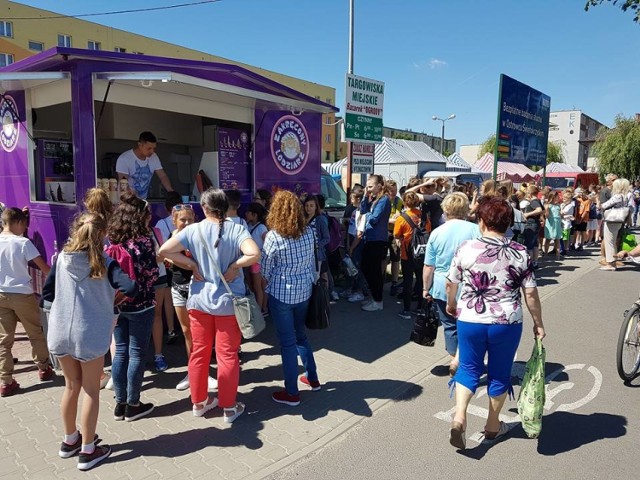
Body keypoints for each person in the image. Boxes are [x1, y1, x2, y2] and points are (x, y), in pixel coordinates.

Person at [445, 196, 546, 450]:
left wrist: (452, 304)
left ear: (481, 220)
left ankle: (459, 417)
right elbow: (531, 293)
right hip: (507, 321)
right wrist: (538, 322)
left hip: (471, 318)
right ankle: (492, 426)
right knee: (499, 373)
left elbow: (451, 282)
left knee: (468, 368)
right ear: (509, 223)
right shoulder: (520, 252)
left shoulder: (467, 248)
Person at [43, 214, 137, 470]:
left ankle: (69, 440)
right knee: (91, 391)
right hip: (90, 334)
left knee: (70, 386)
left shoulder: (61, 259)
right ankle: (88, 449)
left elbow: (47, 293)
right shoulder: (106, 263)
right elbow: (131, 288)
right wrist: (112, 301)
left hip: (60, 331)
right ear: (102, 234)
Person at [159, 188, 259, 421]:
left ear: (203, 208)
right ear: (224, 207)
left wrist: (191, 265)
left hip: (198, 302)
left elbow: (164, 251)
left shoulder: (193, 229)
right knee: (227, 356)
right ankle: (229, 407)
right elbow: (253, 254)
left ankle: (199, 402)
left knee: (198, 354)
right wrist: (235, 267)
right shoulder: (236, 229)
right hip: (227, 304)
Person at [261, 190, 319, 406]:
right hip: (304, 291)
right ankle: (312, 379)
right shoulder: (308, 232)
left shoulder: (273, 237)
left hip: (281, 294)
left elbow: (265, 270)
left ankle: (292, 393)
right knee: (301, 336)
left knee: (287, 344)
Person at [107, 192, 159, 422]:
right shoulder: (145, 241)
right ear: (141, 217)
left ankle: (119, 404)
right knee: (137, 353)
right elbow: (152, 273)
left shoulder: (113, 239)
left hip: (118, 303)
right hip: (142, 303)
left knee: (120, 351)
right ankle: (133, 404)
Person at [422, 193, 480, 375]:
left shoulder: (437, 232)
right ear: (465, 209)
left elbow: (429, 266)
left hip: (442, 285)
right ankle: (465, 359)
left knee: (449, 326)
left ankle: (454, 358)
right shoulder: (475, 230)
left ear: (445, 210)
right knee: (469, 325)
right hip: (470, 285)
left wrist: (425, 288)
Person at [0, 207, 53, 397]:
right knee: (35, 333)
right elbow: (43, 267)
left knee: (4, 341)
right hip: (22, 294)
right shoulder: (23, 243)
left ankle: (5, 382)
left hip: (0, 295)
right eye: (24, 224)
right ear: (18, 223)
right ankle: (44, 368)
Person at [394, 192, 429, 319]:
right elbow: (428, 231)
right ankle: (420, 307)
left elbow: (397, 235)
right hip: (422, 251)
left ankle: (406, 309)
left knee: (408, 280)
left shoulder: (402, 218)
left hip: (407, 252)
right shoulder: (423, 216)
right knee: (420, 280)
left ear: (404, 202)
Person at [360, 174, 391, 312]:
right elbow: (362, 210)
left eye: (371, 186)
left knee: (374, 271)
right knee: (366, 267)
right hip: (370, 237)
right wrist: (365, 196)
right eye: (368, 186)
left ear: (379, 186)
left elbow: (374, 218)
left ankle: (378, 300)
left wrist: (365, 217)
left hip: (378, 239)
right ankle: (374, 295)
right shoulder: (373, 199)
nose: (369, 188)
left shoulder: (383, 200)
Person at [116, 131, 174, 200]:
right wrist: (133, 198)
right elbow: (123, 183)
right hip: (127, 201)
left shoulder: (154, 157)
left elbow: (162, 176)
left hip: (143, 201)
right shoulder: (124, 158)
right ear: (140, 145)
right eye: (149, 148)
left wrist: (171, 191)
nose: (152, 151)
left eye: (154, 148)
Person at [599, 178, 632, 271]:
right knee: (613, 242)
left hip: (611, 219)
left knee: (609, 241)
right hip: (619, 219)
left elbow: (604, 205)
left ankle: (610, 263)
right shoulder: (626, 196)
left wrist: (597, 202)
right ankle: (613, 261)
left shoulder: (617, 196)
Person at [245, 202, 269, 315]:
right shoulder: (249, 225)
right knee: (254, 286)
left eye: (248, 212)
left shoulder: (261, 228)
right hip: (252, 261)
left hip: (258, 262)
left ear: (255, 215)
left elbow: (268, 243)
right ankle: (262, 308)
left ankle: (260, 310)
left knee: (258, 287)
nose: (246, 214)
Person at [386, 180, 404, 296]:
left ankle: (394, 281)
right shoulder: (383, 201)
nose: (394, 193)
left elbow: (399, 216)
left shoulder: (398, 201)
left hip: (395, 232)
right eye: (391, 191)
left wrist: (393, 218)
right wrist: (391, 219)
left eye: (395, 190)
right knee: (383, 258)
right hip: (384, 231)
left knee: (395, 258)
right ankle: (381, 277)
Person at [521, 185, 544, 268]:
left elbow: (539, 210)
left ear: (529, 193)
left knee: (529, 245)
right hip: (536, 224)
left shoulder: (534, 201)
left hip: (531, 224)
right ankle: (535, 262)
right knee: (535, 244)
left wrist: (527, 214)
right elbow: (543, 210)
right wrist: (540, 218)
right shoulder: (538, 200)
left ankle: (530, 263)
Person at [543, 191, 562, 259]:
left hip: (557, 223)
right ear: (552, 197)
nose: (558, 198)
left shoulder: (558, 205)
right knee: (548, 239)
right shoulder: (548, 205)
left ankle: (558, 254)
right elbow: (547, 216)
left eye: (558, 197)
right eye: (556, 197)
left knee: (557, 239)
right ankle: (545, 253)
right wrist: (547, 209)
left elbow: (560, 214)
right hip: (550, 223)